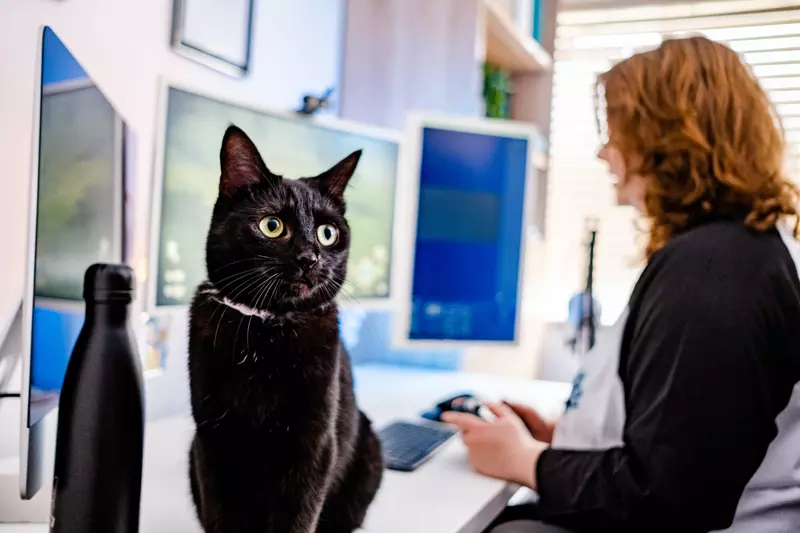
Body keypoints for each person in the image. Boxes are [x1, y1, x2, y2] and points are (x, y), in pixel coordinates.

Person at [443, 36, 800, 533]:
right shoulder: (733, 253)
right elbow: (683, 428)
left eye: (615, 135)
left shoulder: (714, 273)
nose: (603, 152)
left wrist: (529, 461)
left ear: (668, 140)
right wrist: (560, 438)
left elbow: (670, 496)